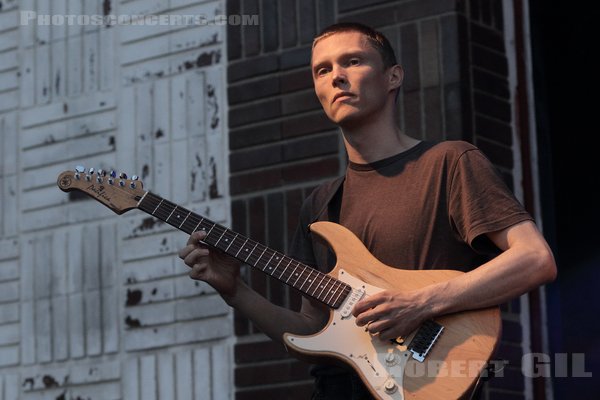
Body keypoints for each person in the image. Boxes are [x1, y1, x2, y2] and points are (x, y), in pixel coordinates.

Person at [178, 22, 557, 399]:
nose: (336, 77)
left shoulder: (449, 162)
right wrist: (236, 292)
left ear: (393, 77)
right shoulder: (321, 205)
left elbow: (535, 259)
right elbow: (310, 331)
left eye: (353, 61)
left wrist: (420, 303)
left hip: (426, 382)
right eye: (322, 70)